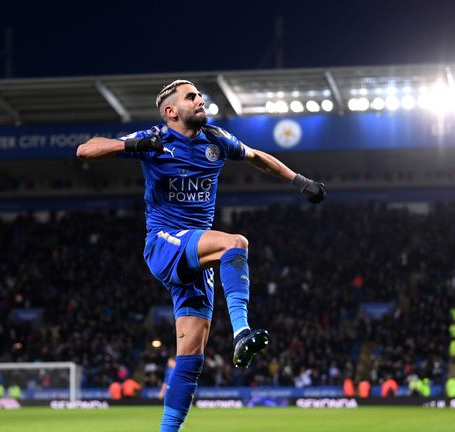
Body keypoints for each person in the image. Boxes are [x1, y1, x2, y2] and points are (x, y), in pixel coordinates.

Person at [76, 79, 326, 432]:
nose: (199, 100)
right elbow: (85, 151)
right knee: (235, 243)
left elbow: (256, 157)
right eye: (191, 96)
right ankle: (241, 331)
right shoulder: (154, 140)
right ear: (171, 111)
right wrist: (131, 144)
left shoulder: (216, 139)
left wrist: (299, 180)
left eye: (199, 95)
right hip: (164, 243)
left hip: (196, 255)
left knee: (191, 356)